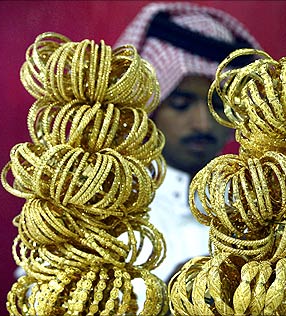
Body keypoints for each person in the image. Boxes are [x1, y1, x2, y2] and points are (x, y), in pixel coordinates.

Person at [115, 2, 262, 283]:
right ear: (147, 109)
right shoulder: (100, 208)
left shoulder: (257, 211)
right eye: (181, 104)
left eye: (218, 105)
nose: (203, 124)